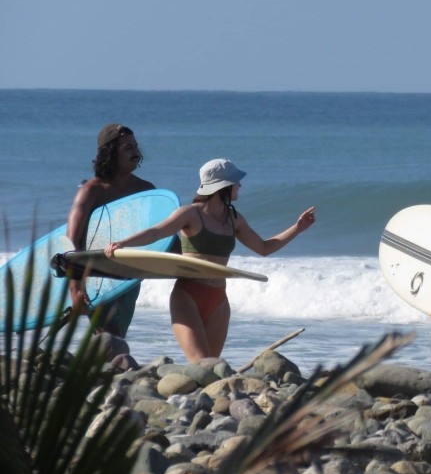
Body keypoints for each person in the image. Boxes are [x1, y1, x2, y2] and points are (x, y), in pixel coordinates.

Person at [104, 158, 316, 363]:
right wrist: (123, 244)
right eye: (235, 181)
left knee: (213, 368)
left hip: (218, 299)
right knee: (201, 364)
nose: (240, 185)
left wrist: (298, 228)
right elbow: (156, 232)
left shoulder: (234, 219)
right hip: (188, 296)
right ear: (223, 186)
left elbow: (264, 248)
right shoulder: (190, 214)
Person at [67, 123, 157, 337]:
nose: (135, 151)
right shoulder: (92, 191)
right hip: (98, 275)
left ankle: (103, 368)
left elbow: (158, 233)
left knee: (116, 336)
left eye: (135, 146)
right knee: (108, 335)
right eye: (127, 147)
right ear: (110, 153)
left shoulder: (146, 190)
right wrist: (75, 288)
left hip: (129, 275)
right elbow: (71, 242)